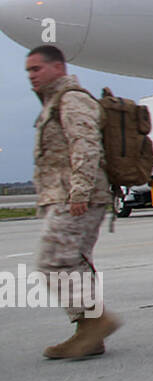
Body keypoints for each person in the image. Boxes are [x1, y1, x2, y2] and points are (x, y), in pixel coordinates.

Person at [26, 44, 120, 360]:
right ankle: (88, 333)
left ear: (58, 68)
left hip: (78, 196)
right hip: (67, 195)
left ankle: (97, 320)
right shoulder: (54, 102)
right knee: (73, 261)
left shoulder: (72, 99)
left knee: (52, 261)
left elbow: (86, 147)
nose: (31, 76)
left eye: (36, 69)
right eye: (28, 71)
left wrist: (78, 193)